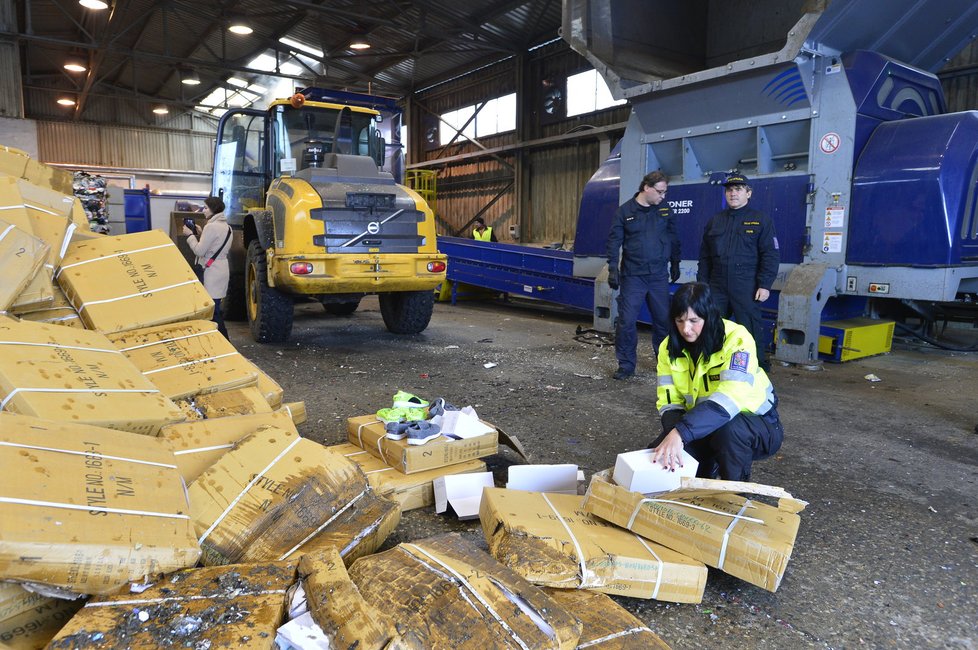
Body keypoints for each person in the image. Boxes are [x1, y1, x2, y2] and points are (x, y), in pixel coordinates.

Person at [650, 282, 783, 482]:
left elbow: (730, 398)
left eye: (694, 320)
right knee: (655, 459)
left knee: (728, 431)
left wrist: (681, 433)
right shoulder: (667, 348)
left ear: (709, 316)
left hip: (758, 425)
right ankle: (703, 473)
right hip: (702, 424)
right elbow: (669, 401)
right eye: (680, 320)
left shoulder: (737, 339)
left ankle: (735, 494)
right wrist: (673, 435)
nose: (686, 329)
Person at [696, 173, 780, 371]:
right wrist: (702, 285)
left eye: (738, 189)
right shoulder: (715, 221)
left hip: (746, 284)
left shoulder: (760, 221)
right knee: (712, 327)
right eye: (729, 190)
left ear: (748, 193)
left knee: (749, 328)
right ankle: (713, 367)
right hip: (716, 284)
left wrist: (765, 284)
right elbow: (705, 256)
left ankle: (757, 368)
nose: (733, 193)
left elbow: (770, 254)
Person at [606, 170, 681, 380]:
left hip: (658, 276)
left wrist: (676, 262)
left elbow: (674, 237)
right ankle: (626, 365)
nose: (663, 197)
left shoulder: (664, 210)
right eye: (660, 192)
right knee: (627, 321)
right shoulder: (625, 212)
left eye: (665, 192)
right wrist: (613, 267)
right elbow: (614, 242)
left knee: (664, 322)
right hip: (633, 276)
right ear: (646, 188)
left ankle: (665, 364)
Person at [183, 196, 232, 339]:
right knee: (215, 307)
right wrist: (201, 232)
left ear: (212, 210)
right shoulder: (227, 227)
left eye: (205, 208)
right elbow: (214, 247)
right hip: (221, 270)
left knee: (213, 311)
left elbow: (199, 251)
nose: (203, 210)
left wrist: (190, 235)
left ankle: (224, 342)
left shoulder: (211, 227)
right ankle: (217, 340)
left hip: (211, 272)